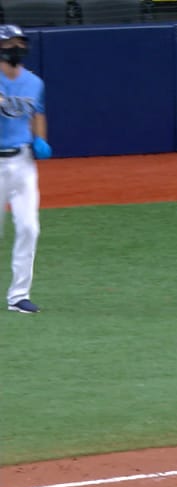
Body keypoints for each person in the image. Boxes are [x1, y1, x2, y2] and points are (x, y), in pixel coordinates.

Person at [0, 24, 50, 314]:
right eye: (10, 44)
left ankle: (19, 295)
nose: (16, 49)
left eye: (19, 43)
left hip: (22, 163)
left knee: (29, 227)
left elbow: (37, 112)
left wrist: (40, 138)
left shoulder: (34, 82)